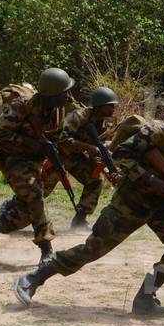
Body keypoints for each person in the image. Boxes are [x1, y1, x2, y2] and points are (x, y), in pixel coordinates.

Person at [12, 92, 164, 316]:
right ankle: (34, 277)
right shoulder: (160, 132)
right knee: (93, 249)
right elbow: (120, 155)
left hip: (163, 207)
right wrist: (150, 179)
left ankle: (146, 298)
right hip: (131, 201)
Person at [0, 68, 74, 264]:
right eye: (64, 92)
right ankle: (46, 249)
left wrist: (53, 157)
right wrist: (30, 142)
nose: (69, 95)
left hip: (36, 160)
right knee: (34, 195)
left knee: (28, 209)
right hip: (13, 159)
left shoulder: (58, 110)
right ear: (52, 95)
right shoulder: (21, 107)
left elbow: (56, 137)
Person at [44, 86, 123, 230]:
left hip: (75, 157)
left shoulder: (104, 124)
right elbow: (63, 140)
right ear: (100, 105)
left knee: (95, 180)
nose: (113, 108)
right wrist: (89, 148)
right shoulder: (78, 116)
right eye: (110, 106)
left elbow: (100, 148)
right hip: (57, 154)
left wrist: (108, 167)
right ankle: (17, 211)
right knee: (43, 190)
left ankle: (80, 219)